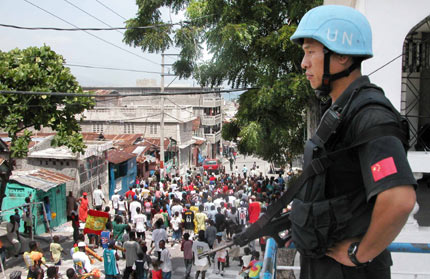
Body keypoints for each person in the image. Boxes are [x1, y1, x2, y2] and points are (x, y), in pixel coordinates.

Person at [288, 5, 417, 279]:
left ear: (343, 55)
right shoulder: (341, 110)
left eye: (311, 51)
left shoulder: (369, 115)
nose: (304, 63)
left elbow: (399, 198)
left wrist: (360, 253)